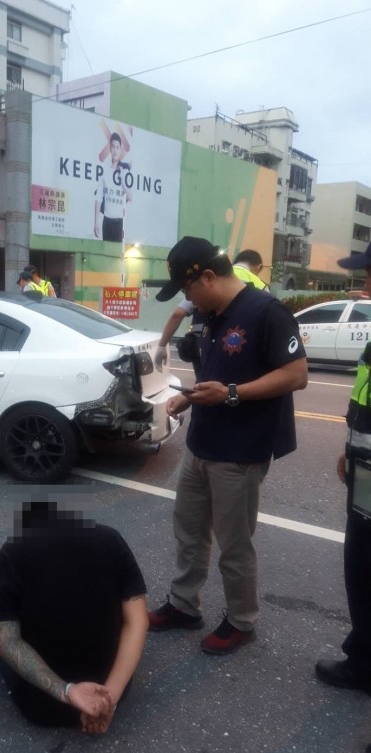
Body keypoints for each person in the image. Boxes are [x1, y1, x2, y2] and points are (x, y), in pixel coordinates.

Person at [148, 236, 308, 654]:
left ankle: (242, 619)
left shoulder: (266, 311)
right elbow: (215, 372)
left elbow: (296, 375)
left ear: (207, 276)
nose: (187, 300)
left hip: (241, 450)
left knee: (234, 544)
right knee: (189, 531)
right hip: (202, 443)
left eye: (187, 290)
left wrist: (232, 393)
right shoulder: (210, 313)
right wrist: (188, 396)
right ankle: (184, 606)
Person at [0, 500, 148, 732]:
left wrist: (68, 691)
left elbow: (6, 642)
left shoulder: (13, 552)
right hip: (112, 689)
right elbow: (138, 621)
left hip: (45, 706)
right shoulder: (111, 540)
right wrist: (109, 698)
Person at [315, 242, 371, 705]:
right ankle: (363, 660)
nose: (366, 286)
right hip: (364, 474)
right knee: (361, 569)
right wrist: (350, 451)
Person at [154, 252, 267, 373]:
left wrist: (161, 346)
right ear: (259, 267)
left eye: (186, 290)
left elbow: (178, 314)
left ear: (208, 277)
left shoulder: (208, 279)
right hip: (239, 355)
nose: (187, 297)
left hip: (204, 347)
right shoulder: (260, 287)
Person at [94, 132, 131, 243]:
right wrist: (96, 222)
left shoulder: (125, 172)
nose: (115, 150)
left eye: (117, 147)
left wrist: (122, 180)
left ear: (120, 149)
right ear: (110, 148)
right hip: (107, 221)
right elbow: (98, 198)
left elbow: (130, 197)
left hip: (120, 223)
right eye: (113, 147)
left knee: (119, 257)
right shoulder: (105, 172)